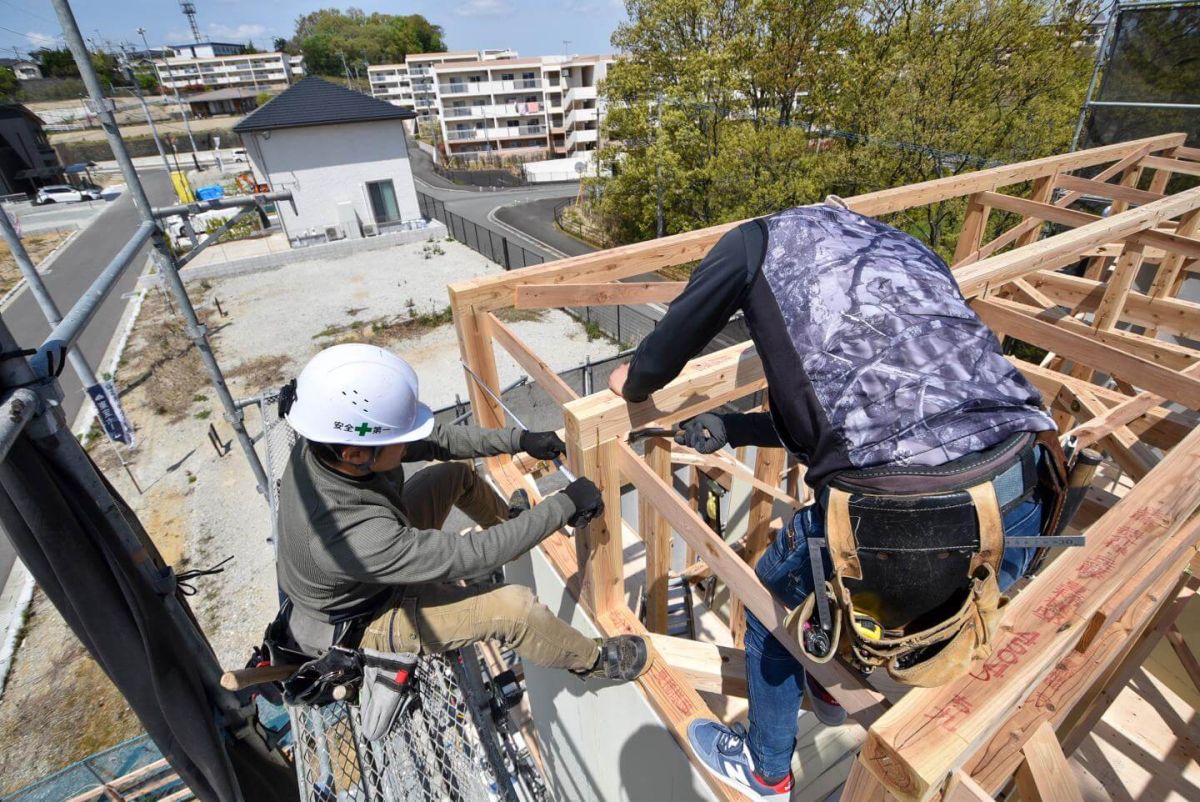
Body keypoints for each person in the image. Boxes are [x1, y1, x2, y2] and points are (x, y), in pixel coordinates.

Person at [608, 199, 1065, 800]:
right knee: (893, 601)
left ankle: (766, 770)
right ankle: (827, 687)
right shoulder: (903, 249)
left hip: (906, 517)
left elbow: (657, 361)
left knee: (774, 611)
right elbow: (870, 418)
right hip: (1027, 474)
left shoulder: (753, 242)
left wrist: (631, 382)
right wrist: (737, 428)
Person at [276, 343, 650, 684]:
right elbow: (467, 556)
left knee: (455, 475)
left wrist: (519, 440)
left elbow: (440, 440)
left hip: (367, 564)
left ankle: (512, 533)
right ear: (357, 454)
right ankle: (594, 659)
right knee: (514, 609)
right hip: (365, 614)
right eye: (400, 440)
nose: (408, 444)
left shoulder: (335, 445)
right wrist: (564, 504)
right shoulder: (352, 537)